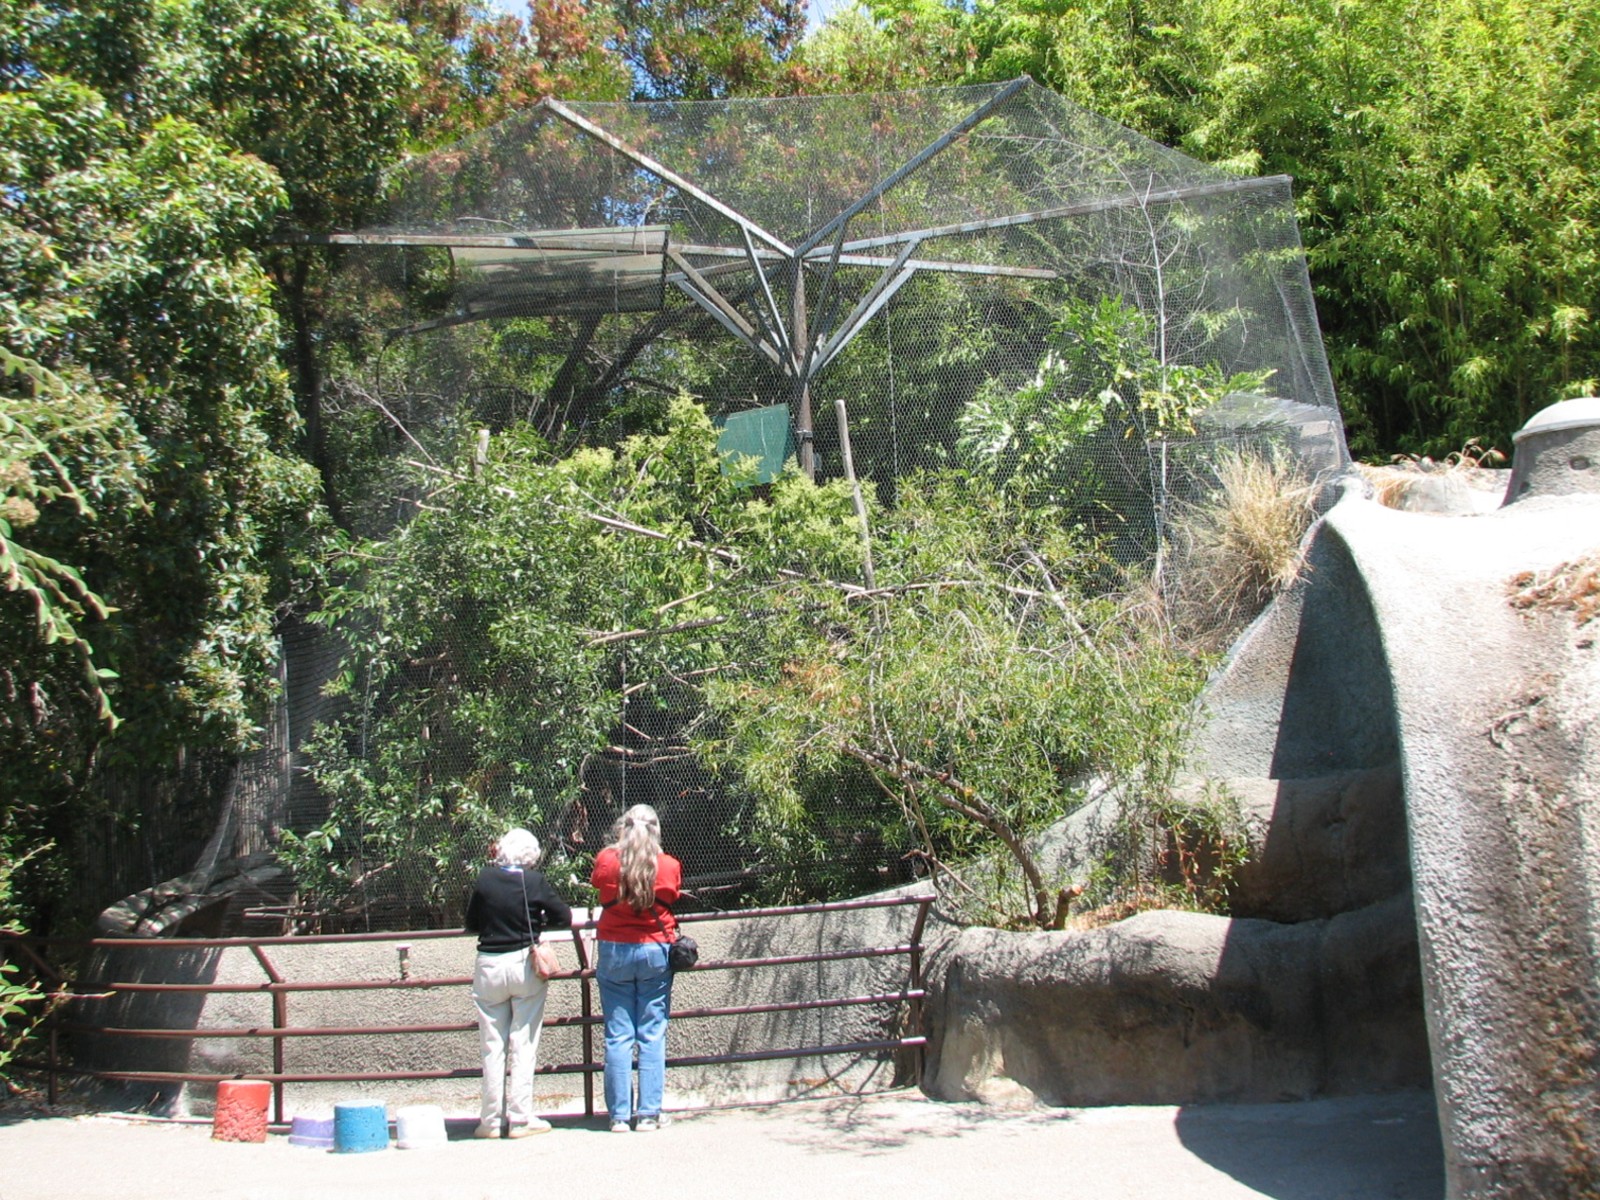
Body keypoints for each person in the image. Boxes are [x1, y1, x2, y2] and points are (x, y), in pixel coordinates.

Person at [464, 828, 572, 1139]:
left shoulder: (485, 879)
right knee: (523, 1042)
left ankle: (490, 1121)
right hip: (524, 963)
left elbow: (471, 922)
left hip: (489, 965)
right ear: (530, 856)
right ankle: (521, 1118)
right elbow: (563, 916)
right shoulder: (533, 881)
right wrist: (538, 922)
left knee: (492, 1045)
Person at [590, 803, 682, 1132]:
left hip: (614, 949)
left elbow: (597, 884)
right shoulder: (668, 864)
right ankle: (648, 1114)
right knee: (651, 1033)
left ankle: (618, 1116)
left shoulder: (606, 859)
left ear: (622, 828)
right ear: (656, 829)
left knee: (618, 1035)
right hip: (655, 949)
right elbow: (672, 894)